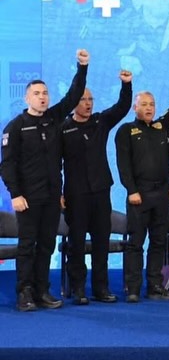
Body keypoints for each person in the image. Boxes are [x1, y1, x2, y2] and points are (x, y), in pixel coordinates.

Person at [1, 49, 89, 311]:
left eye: (45, 93)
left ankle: (42, 290)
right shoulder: (16, 126)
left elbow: (73, 95)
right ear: (27, 98)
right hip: (27, 198)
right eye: (37, 93)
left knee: (47, 245)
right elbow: (7, 164)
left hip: (52, 197)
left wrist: (82, 66)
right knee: (27, 245)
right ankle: (24, 292)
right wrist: (15, 194)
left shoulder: (54, 118)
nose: (42, 97)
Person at [114, 64, 169, 303]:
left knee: (159, 242)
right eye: (144, 104)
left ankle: (155, 286)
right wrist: (131, 190)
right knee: (136, 244)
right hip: (139, 195)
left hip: (161, 195)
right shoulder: (126, 130)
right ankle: (133, 288)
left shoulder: (162, 127)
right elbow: (123, 165)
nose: (149, 108)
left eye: (152, 104)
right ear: (135, 107)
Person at [61, 70, 133, 305]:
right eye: (83, 99)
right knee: (77, 242)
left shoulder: (100, 121)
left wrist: (126, 84)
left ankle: (101, 288)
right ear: (73, 102)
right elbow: (54, 163)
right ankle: (78, 288)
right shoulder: (63, 127)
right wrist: (59, 192)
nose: (88, 103)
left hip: (101, 191)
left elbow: (122, 107)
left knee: (101, 241)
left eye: (90, 99)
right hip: (75, 193)